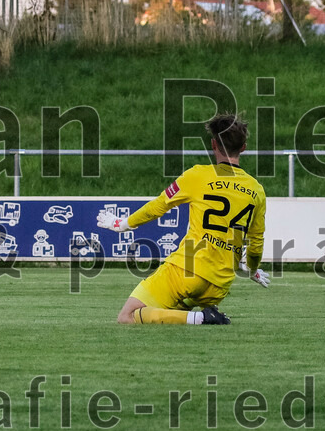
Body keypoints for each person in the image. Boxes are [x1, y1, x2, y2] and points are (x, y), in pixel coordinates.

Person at [97, 113, 270, 325]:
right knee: (167, 314)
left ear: (213, 144)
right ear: (243, 147)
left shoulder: (197, 175)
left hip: (187, 269)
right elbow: (256, 242)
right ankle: (201, 312)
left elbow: (159, 206)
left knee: (128, 316)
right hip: (219, 285)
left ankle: (202, 318)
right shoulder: (256, 190)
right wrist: (252, 269)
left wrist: (122, 224)